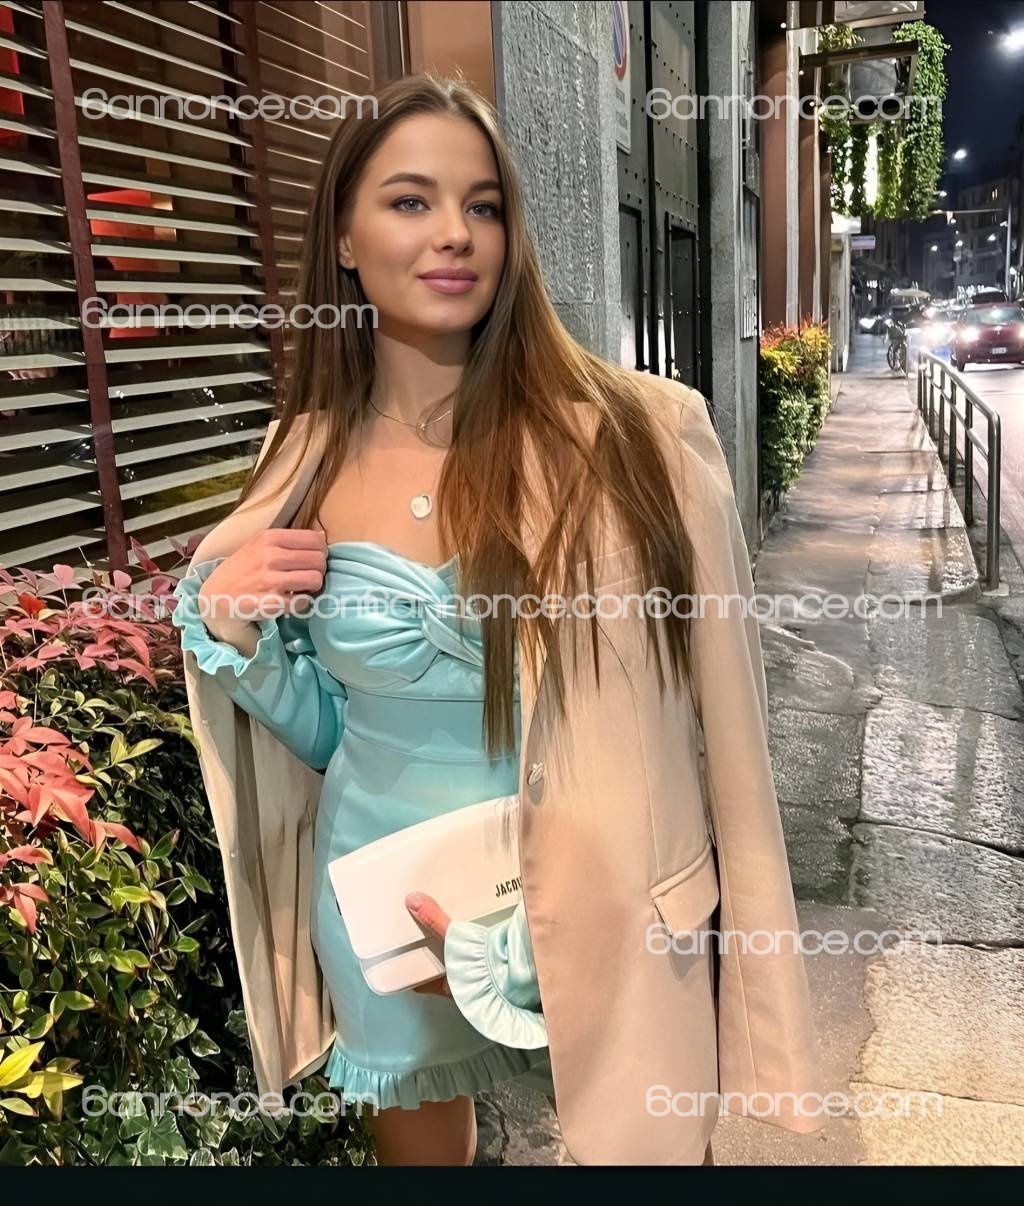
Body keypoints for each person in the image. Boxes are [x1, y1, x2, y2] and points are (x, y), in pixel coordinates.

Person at [171, 73, 821, 1167]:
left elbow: (731, 740)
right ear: (343, 239)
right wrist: (234, 633)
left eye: (483, 205)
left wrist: (763, 988)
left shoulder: (639, 437)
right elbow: (335, 735)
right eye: (410, 201)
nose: (455, 234)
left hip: (604, 902)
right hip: (392, 903)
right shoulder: (300, 460)